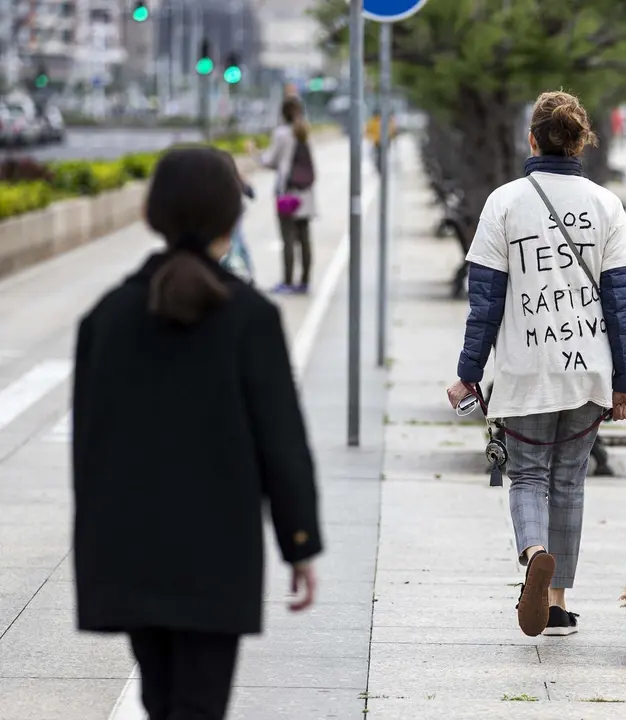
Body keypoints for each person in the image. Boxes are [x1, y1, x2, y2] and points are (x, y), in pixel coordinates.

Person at [72, 146, 322, 720]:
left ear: (150, 214)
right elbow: (280, 444)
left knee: (162, 704)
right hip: (217, 556)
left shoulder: (106, 318)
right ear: (233, 217)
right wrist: (299, 545)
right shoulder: (250, 318)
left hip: (130, 552)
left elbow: (90, 450)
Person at [445, 90, 626, 638]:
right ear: (581, 141)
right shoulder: (607, 206)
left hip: (524, 368)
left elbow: (483, 303)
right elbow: (620, 304)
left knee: (526, 475)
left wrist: (467, 373)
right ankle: (555, 605)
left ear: (531, 138)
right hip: (586, 369)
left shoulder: (503, 203)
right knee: (571, 481)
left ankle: (533, 552)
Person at [255, 96, 317, 294]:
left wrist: (254, 153)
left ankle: (288, 282)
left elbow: (270, 161)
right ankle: (305, 281)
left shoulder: (282, 134)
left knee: (288, 238)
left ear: (282, 113)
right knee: (305, 238)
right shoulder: (305, 131)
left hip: (287, 194)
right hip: (306, 193)